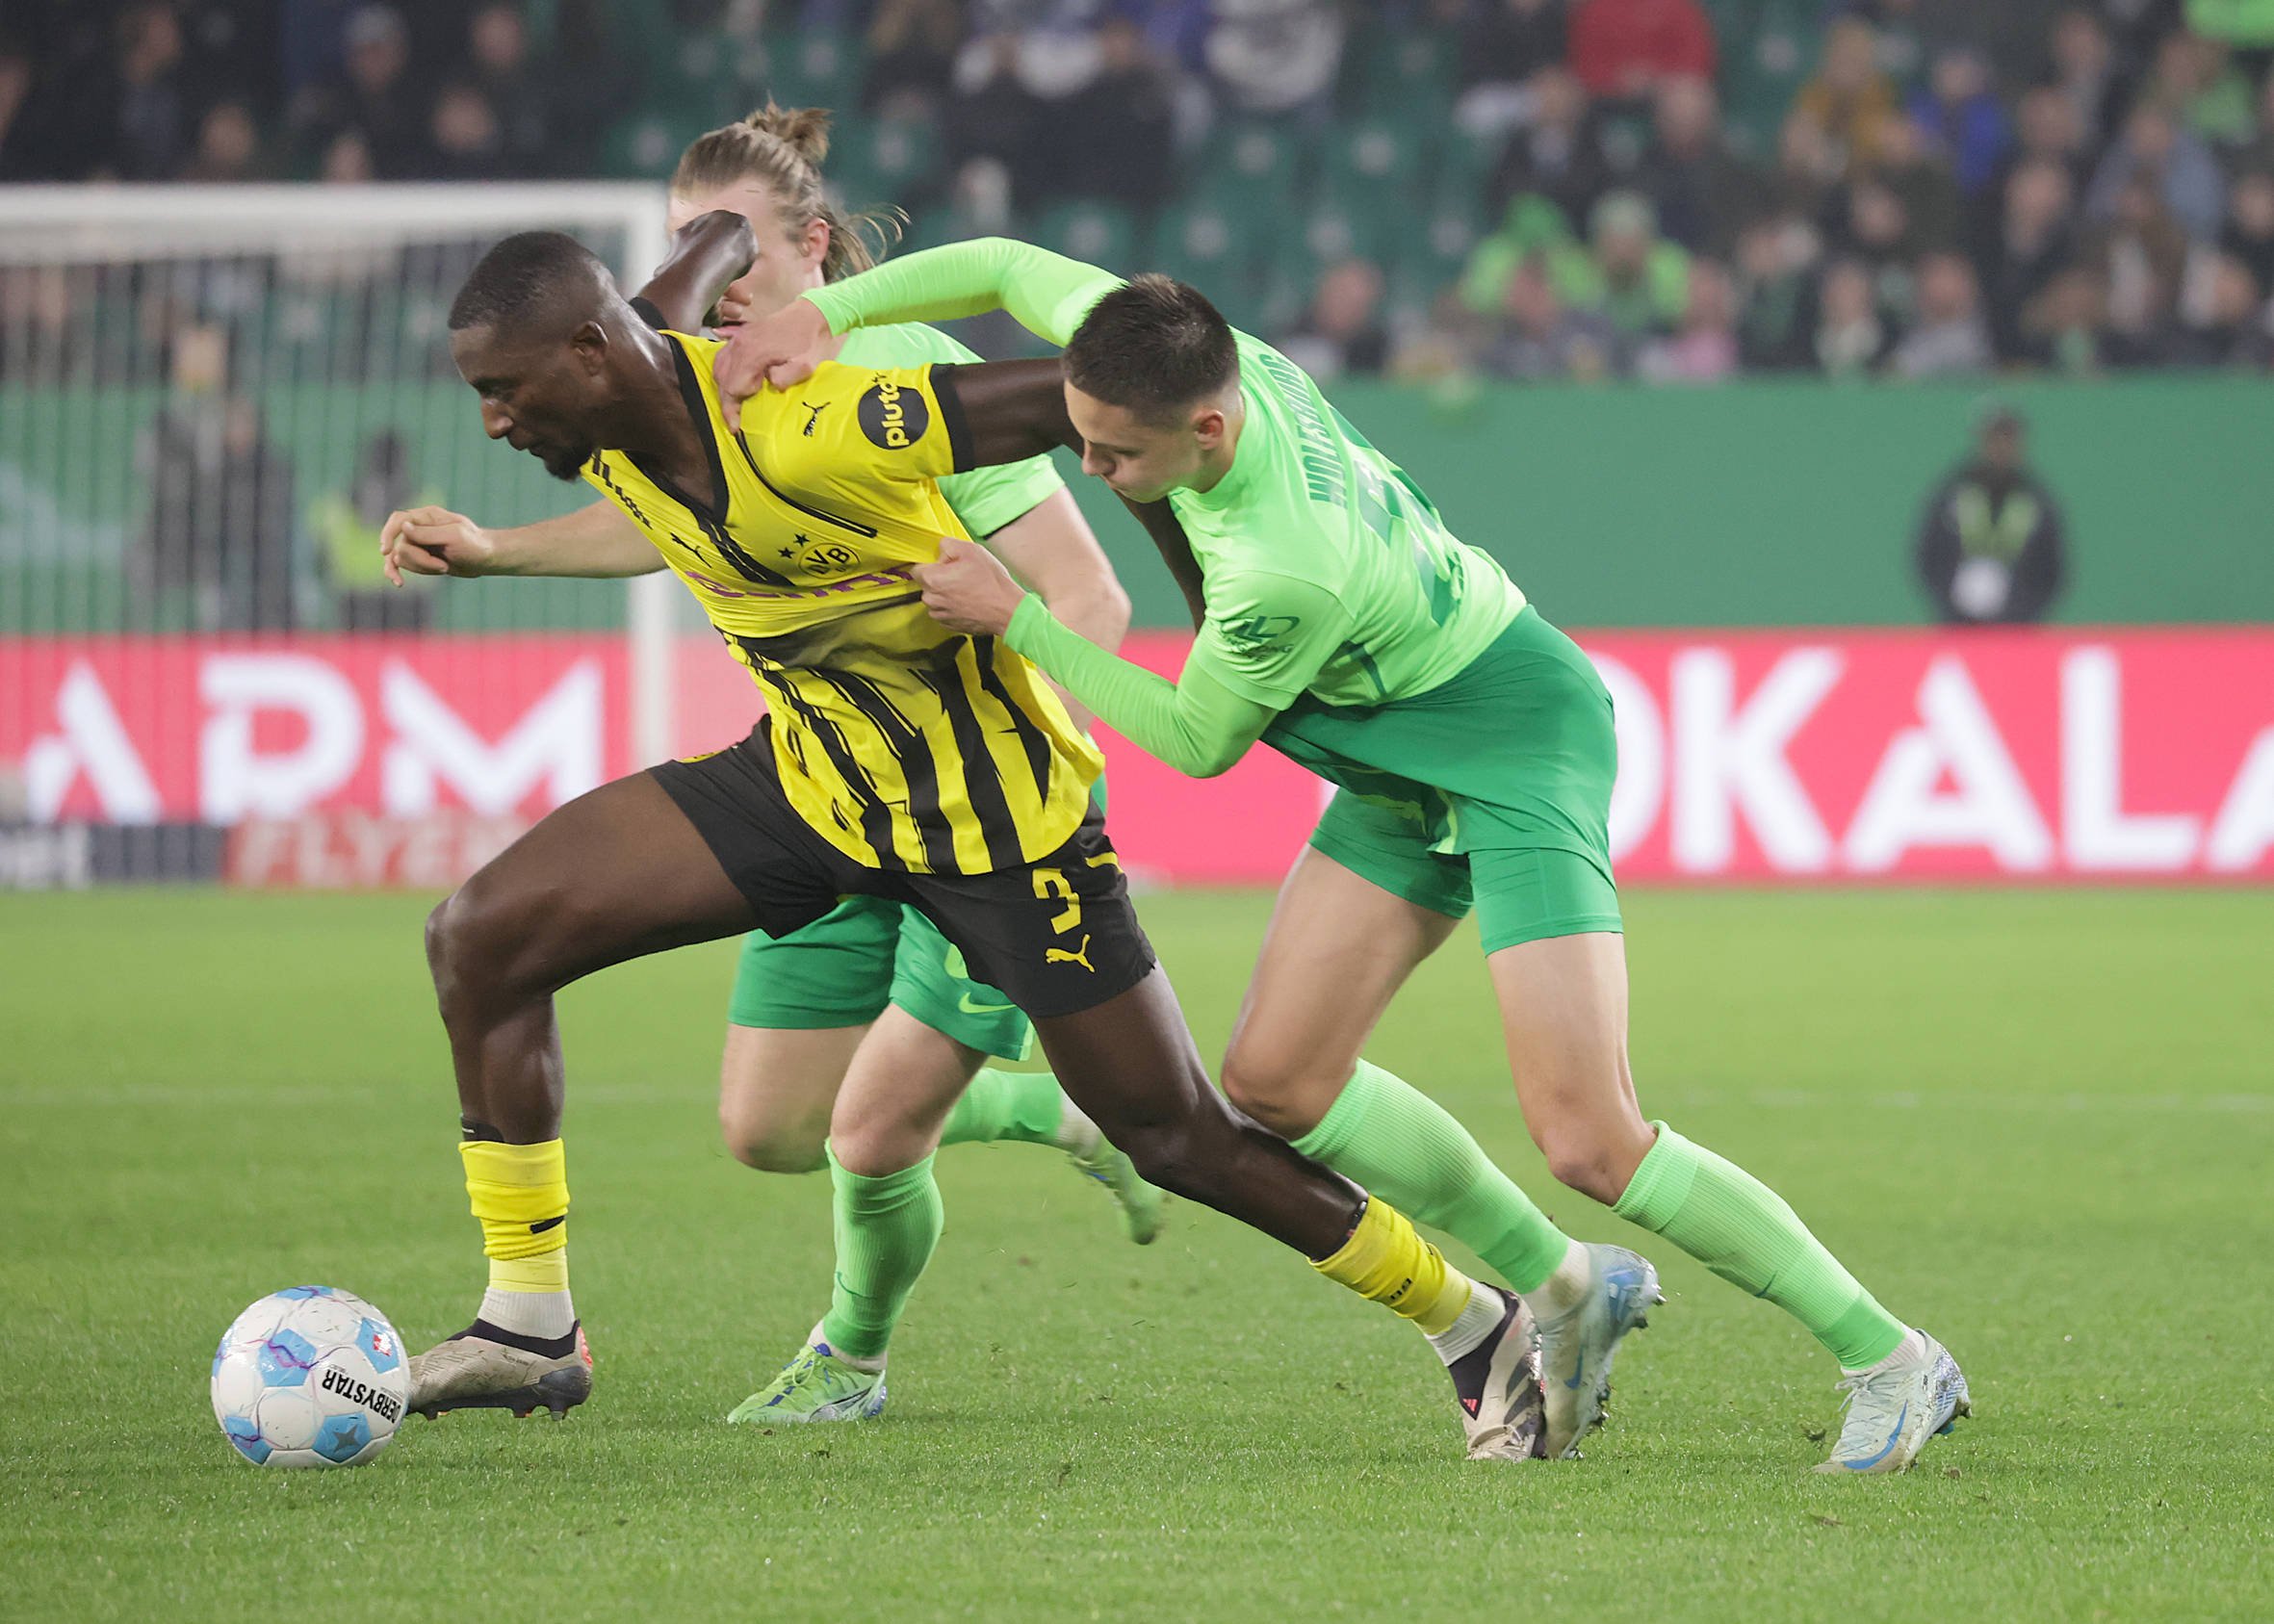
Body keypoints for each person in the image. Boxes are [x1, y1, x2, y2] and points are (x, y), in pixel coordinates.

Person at [719, 236, 1975, 1474]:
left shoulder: (1281, 566)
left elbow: (1196, 738)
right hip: (1395, 755)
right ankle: (1565, 1283)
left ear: (1205, 433)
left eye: (1116, 452)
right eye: (1078, 433)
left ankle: (1887, 1355)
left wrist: (1019, 617)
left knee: (1592, 1136)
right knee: (1273, 1078)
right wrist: (814, 316)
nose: (1089, 465)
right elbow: (998, 262)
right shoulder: (1175, 346)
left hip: (1509, 741)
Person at [402, 217, 1553, 1462]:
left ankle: (1473, 1322)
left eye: (502, 392)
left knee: (1174, 1135)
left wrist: (1197, 579)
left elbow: (1075, 406)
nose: (494, 424)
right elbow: (688, 272)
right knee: (482, 936)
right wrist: (724, 236)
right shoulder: (630, 372)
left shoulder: (820, 428)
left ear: (586, 351)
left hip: (998, 828)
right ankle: (528, 1323)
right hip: (813, 780)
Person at [381, 105, 1163, 1426]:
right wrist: (501, 549)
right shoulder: (698, 378)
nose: (699, 276)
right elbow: (649, 517)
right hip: (815, 792)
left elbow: (1089, 600)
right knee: (767, 1130)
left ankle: (847, 1363)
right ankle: (1043, 1114)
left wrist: (994, 760)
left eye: (727, 247)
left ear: (810, 244)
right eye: (687, 247)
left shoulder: (897, 370)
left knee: (878, 1136)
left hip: (977, 816)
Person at [1915, 405, 2067, 625]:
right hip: (1958, 626)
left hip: (2018, 630)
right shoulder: (1954, 492)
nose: (2001, 448)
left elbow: (2051, 570)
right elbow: (1929, 556)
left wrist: (2022, 609)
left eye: (2009, 439)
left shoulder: (2035, 499)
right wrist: (1950, 601)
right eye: (1995, 439)